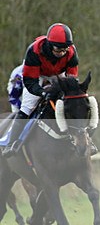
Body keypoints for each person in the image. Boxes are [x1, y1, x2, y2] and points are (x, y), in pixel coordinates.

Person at [2, 23, 79, 156]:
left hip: (58, 74)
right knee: (27, 107)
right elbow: (30, 82)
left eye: (64, 49)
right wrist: (43, 93)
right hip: (37, 75)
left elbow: (71, 78)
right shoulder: (34, 51)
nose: (61, 53)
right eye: (58, 49)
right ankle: (11, 144)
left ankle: (83, 138)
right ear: (49, 45)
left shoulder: (71, 52)